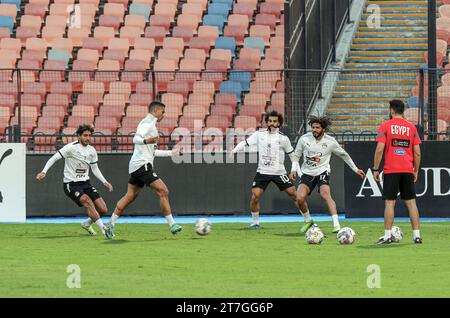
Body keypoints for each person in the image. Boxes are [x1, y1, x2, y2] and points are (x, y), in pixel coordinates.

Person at [107, 101, 181, 236]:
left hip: (136, 166)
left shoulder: (150, 125)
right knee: (163, 191)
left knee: (129, 196)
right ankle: (172, 224)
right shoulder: (147, 123)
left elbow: (153, 152)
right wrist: (146, 141)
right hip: (142, 165)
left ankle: (110, 224)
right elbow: (135, 139)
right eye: (162, 112)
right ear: (155, 111)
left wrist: (172, 153)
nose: (163, 115)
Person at [36, 124, 114, 239]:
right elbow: (54, 158)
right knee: (87, 201)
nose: (88, 138)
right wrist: (44, 171)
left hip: (85, 183)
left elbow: (95, 168)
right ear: (78, 136)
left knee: (103, 209)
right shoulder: (70, 148)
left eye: (89, 135)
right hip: (71, 184)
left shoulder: (92, 150)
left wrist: (105, 182)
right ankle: (104, 229)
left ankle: (86, 224)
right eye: (85, 135)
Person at [291, 117, 366, 234]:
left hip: (322, 171)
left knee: (325, 194)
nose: (314, 130)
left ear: (324, 129)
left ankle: (336, 224)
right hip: (307, 173)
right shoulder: (304, 139)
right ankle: (308, 220)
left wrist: (355, 169)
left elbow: (344, 155)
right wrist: (293, 169)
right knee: (299, 198)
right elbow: (296, 156)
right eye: (313, 127)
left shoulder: (330, 141)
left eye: (317, 128)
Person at [230, 111, 301, 228]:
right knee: (255, 196)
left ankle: (307, 219)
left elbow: (293, 157)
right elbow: (245, 143)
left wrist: (294, 170)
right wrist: (234, 150)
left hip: (279, 172)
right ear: (267, 122)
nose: (272, 123)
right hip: (262, 172)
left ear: (279, 123)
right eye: (270, 121)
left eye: (275, 121)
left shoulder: (284, 139)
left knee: (294, 194)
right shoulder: (259, 134)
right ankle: (255, 222)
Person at [373, 99, 422, 244]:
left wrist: (376, 168)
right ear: (403, 110)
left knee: (390, 203)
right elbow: (417, 153)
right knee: (411, 203)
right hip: (407, 169)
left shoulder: (385, 126)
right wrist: (416, 170)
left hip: (391, 170)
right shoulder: (411, 128)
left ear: (392, 110)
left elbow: (380, 149)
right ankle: (417, 236)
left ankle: (387, 236)